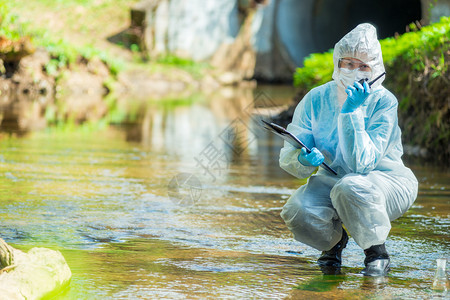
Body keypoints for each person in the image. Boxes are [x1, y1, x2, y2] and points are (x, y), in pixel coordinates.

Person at [279, 23, 418, 276]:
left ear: (375, 69)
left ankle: (376, 252)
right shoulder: (316, 99)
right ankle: (333, 245)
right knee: (298, 209)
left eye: (364, 66)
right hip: (332, 179)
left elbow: (361, 164)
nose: (355, 72)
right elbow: (290, 154)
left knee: (350, 186)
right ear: (338, 63)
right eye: (349, 64)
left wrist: (352, 111)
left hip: (385, 181)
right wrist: (302, 158)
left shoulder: (384, 101)